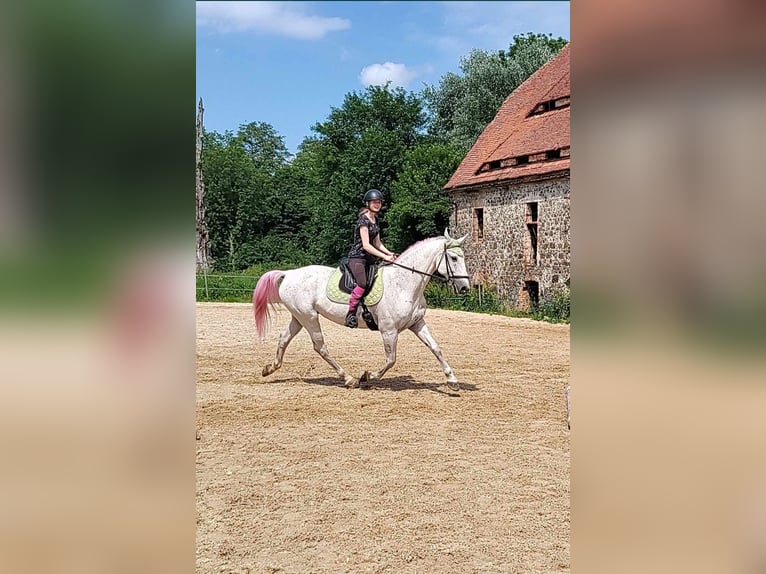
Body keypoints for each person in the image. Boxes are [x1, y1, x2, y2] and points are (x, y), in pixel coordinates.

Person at [345, 189, 397, 328]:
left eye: (379, 202)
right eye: (374, 202)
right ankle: (351, 314)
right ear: (368, 203)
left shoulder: (375, 219)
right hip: (358, 257)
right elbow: (366, 245)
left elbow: (378, 243)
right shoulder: (363, 220)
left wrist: (390, 253)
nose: (377, 204)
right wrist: (384, 256)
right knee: (362, 283)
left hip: (369, 258)